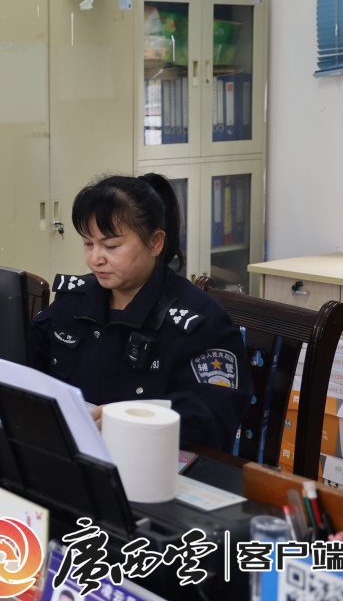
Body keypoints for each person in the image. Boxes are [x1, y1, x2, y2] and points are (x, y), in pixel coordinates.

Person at [28, 173, 251, 450]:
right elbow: (25, 363)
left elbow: (214, 418)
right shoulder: (73, 302)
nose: (95, 258)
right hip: (71, 451)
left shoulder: (200, 321)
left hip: (149, 460)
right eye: (88, 243)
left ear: (155, 242)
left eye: (111, 246)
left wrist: (133, 419)